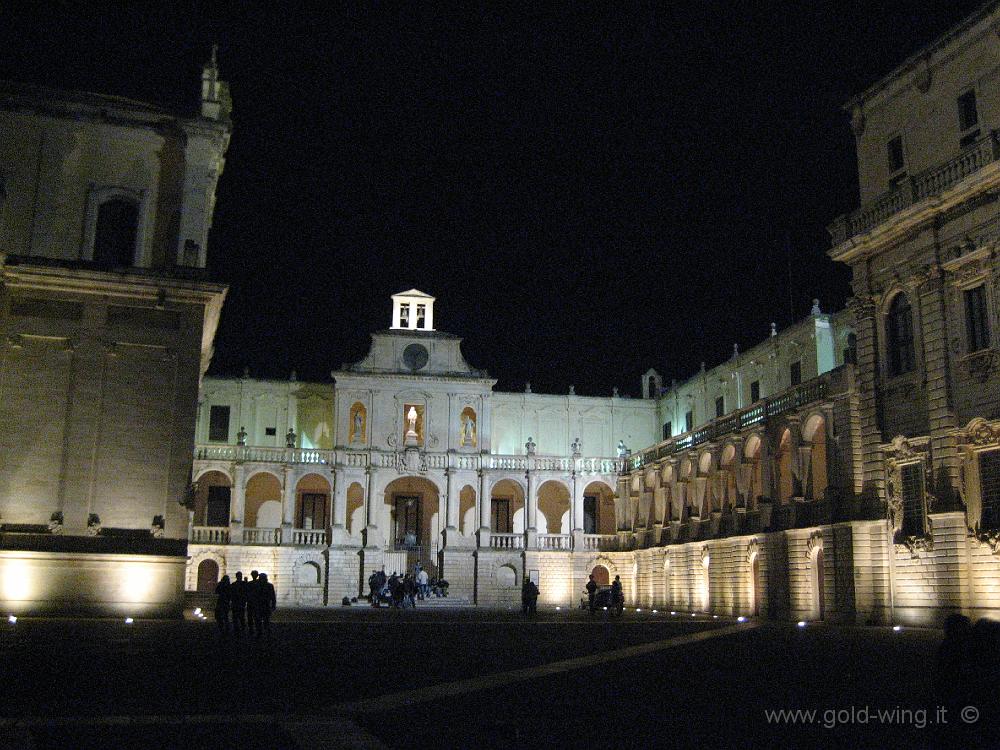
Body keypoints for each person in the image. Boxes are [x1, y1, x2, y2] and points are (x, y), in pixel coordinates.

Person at [258, 572, 276, 637]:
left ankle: (261, 633)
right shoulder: (270, 585)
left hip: (261, 605)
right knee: (265, 620)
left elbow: (273, 596)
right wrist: (273, 605)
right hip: (265, 605)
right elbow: (273, 597)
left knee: (260, 620)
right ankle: (266, 633)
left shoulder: (258, 585)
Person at [246, 570, 261, 635]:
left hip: (251, 602)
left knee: (251, 617)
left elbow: (247, 592)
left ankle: (251, 629)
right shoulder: (259, 583)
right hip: (256, 602)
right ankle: (258, 630)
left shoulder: (249, 583)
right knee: (256, 617)